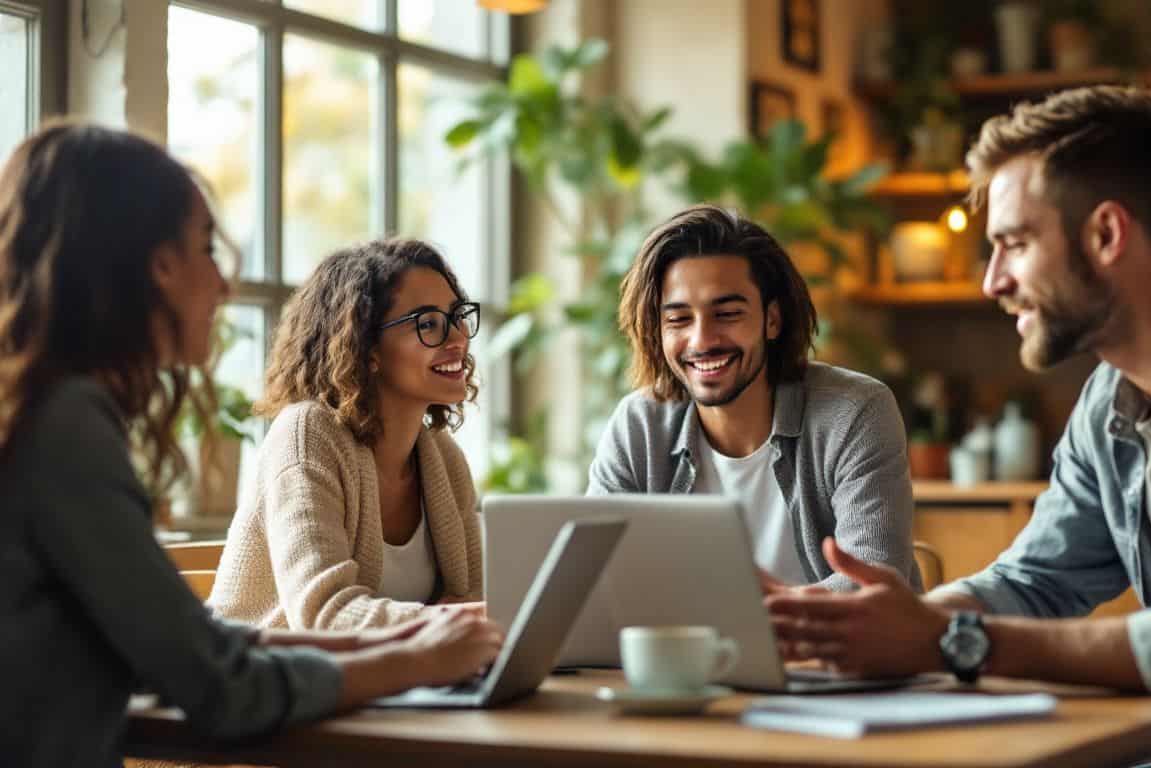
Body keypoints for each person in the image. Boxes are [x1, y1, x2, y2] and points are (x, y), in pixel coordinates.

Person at [765, 85, 1151, 767]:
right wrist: (865, 628)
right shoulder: (1110, 404)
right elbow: (1033, 583)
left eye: (1012, 244)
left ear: (1105, 235)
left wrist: (946, 641)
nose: (991, 282)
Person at [0, 122, 502, 767]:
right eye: (206, 248)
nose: (225, 283)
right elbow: (220, 684)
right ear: (153, 265)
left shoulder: (50, 418)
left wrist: (424, 645)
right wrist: (414, 657)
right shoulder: (62, 430)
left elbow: (196, 646)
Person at [588, 204, 920, 592]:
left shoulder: (854, 413)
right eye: (678, 319)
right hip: (692, 653)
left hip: (842, 653)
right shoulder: (639, 426)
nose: (701, 341)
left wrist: (741, 615)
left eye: (727, 314)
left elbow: (873, 583)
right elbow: (596, 578)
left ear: (772, 320)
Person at [209, 238, 486, 630]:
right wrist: (446, 618)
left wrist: (459, 617)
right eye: (428, 324)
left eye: (457, 316)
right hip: (276, 682)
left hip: (398, 685)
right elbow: (323, 615)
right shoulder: (307, 436)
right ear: (367, 347)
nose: (458, 338)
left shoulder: (443, 458)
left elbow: (474, 601)